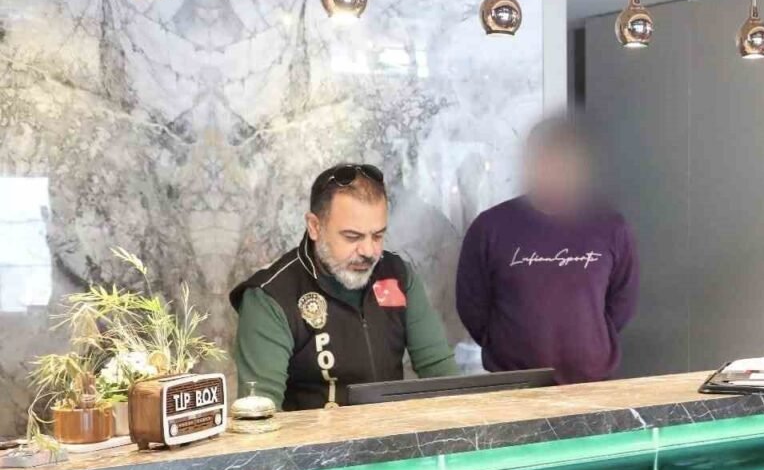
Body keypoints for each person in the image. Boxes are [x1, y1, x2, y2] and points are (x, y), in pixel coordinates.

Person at [231, 163, 457, 410]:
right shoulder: (270, 296)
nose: (369, 251)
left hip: (392, 431)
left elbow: (442, 375)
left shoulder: (398, 276)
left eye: (378, 235)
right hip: (312, 435)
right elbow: (261, 414)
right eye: (352, 237)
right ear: (315, 227)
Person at [455, 117, 639, 384]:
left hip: (592, 385)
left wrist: (589, 338)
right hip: (514, 386)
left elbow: (621, 303)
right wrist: (505, 347)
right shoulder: (490, 227)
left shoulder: (611, 227)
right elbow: (472, 307)